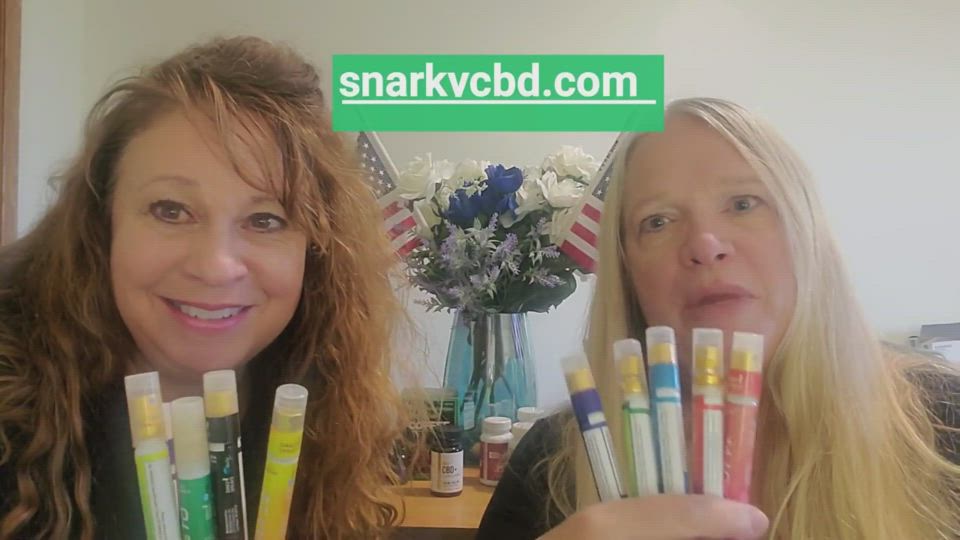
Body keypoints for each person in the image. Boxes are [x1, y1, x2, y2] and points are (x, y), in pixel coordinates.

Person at [477, 98, 960, 539]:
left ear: (805, 231)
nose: (705, 244)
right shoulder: (549, 463)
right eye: (658, 221)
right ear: (627, 273)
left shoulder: (945, 419)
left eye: (743, 204)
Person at [0, 36, 407, 539]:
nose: (216, 267)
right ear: (102, 226)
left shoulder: (331, 413)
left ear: (317, 253)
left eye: (266, 219)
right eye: (170, 210)